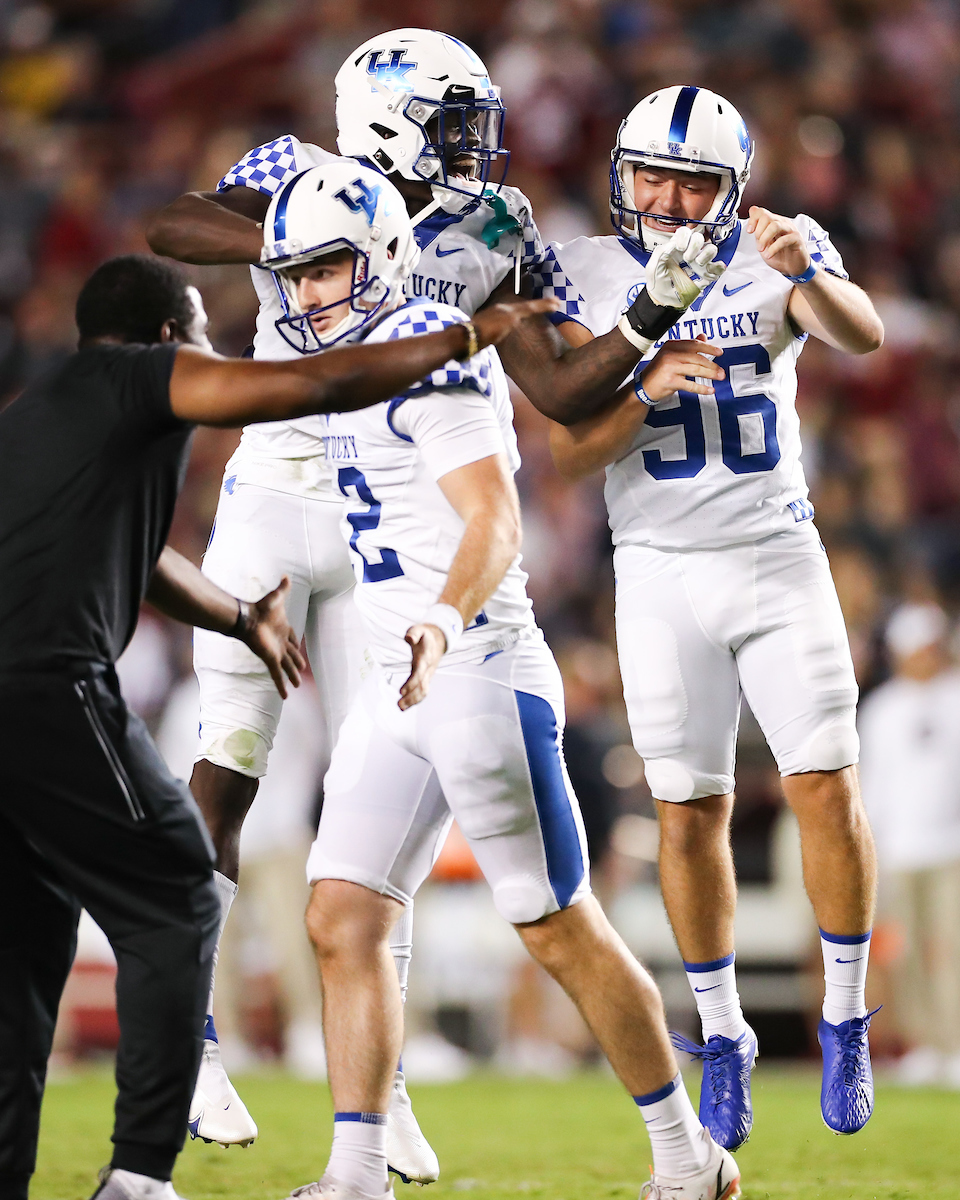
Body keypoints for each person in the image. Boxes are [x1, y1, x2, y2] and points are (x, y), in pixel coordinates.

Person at [145, 27, 710, 1165]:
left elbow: (554, 378)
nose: (476, 149)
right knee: (230, 754)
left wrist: (647, 317)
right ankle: (190, 1040)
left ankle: (381, 1087)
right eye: (454, 122)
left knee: (379, 805)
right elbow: (171, 225)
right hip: (279, 471)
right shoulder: (299, 171)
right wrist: (307, 230)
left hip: (398, 512)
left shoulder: (491, 228)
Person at [0, 252, 552, 1200]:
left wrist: (235, 616)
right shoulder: (141, 375)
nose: (217, 348)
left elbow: (137, 551)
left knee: (25, 947)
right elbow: (315, 378)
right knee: (178, 892)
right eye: (205, 335)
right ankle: (139, 1177)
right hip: (44, 686)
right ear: (169, 335)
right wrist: (460, 337)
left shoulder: (39, 412)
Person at [256, 159, 743, 1200]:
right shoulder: (336, 362)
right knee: (341, 915)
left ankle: (686, 1155)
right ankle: (354, 1174)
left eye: (327, 268)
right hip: (398, 681)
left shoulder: (433, 359)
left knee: (555, 921)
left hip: (474, 667)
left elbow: (494, 518)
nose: (306, 295)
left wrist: (440, 616)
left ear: (383, 256)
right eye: (292, 274)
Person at [533, 85, 884, 1146]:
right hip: (659, 567)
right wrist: (643, 388)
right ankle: (722, 1031)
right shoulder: (589, 270)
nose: (674, 200)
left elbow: (861, 337)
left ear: (732, 189)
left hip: (777, 551)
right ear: (620, 174)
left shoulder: (781, 245)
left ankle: (847, 1015)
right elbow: (565, 454)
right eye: (655, 176)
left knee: (825, 781)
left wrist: (805, 273)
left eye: (696, 182)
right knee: (688, 808)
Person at [859, 602, 960, 1087]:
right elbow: (874, 786)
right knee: (909, 953)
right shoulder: (882, 709)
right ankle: (924, 1044)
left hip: (951, 849)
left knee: (952, 949)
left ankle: (955, 1042)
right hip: (900, 851)